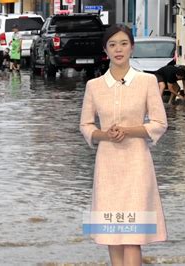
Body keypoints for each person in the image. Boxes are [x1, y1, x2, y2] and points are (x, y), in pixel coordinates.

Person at [79, 24, 168, 265]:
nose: (118, 49)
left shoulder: (147, 81)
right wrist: (104, 135)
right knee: (112, 234)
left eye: (124, 43)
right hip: (107, 166)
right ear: (105, 50)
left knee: (132, 236)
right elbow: (86, 126)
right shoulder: (94, 86)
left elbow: (160, 123)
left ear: (132, 47)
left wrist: (128, 131)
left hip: (137, 164)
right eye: (112, 44)